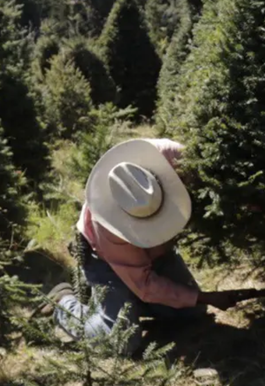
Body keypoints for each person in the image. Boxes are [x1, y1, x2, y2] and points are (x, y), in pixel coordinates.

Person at [48, 137, 236, 355]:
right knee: (121, 341)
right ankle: (63, 303)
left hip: (154, 254)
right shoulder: (110, 230)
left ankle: (118, 304)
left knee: (191, 311)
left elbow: (214, 171)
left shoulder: (167, 156)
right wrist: (208, 296)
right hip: (106, 262)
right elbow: (145, 284)